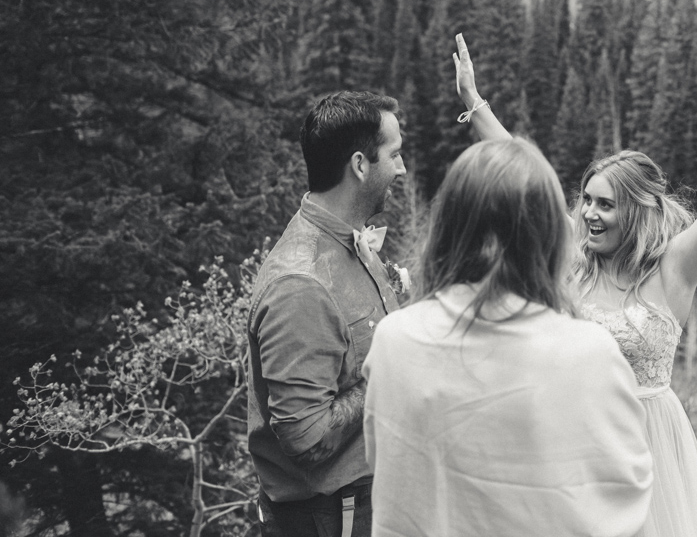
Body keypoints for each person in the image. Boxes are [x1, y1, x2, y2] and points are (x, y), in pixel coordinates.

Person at [452, 33, 697, 537]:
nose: (589, 212)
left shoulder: (673, 268)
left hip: (647, 442)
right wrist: (473, 102)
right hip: (575, 438)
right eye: (586, 199)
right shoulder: (573, 255)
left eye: (605, 204)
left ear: (636, 210)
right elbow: (525, 178)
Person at [363, 138, 654, 536]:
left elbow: (387, 469)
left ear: (446, 227)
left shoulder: (393, 340)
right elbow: (625, 500)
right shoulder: (588, 353)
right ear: (549, 236)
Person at [247, 91, 407, 537]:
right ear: (360, 165)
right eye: (394, 155)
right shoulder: (300, 283)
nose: (402, 168)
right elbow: (308, 438)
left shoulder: (348, 242)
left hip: (364, 502)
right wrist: (391, 370)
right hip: (331, 517)